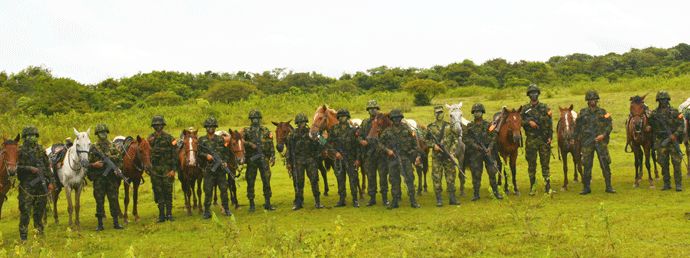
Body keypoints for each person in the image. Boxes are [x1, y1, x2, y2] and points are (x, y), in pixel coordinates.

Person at [16, 125, 55, 241]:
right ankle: (23, 234)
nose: (31, 138)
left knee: (40, 207)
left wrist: (51, 182)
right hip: (27, 183)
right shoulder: (20, 151)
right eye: (29, 136)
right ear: (24, 137)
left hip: (40, 182)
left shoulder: (41, 150)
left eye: (33, 136)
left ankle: (39, 229)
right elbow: (16, 168)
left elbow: (47, 167)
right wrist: (29, 168)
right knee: (25, 209)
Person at [378, 109, 421, 209]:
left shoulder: (407, 129)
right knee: (394, 180)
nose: (396, 120)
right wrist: (388, 150)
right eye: (394, 118)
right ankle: (395, 201)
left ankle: (413, 200)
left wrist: (415, 156)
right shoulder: (387, 131)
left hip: (405, 158)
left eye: (398, 118)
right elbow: (380, 143)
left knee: (409, 179)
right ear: (391, 120)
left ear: (401, 119)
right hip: (393, 159)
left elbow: (415, 144)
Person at [575, 90, 616, 194]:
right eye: (590, 100)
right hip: (587, 143)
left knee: (605, 163)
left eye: (594, 99)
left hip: (601, 142)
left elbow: (609, 125)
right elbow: (577, 126)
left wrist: (603, 135)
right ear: (587, 101)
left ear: (597, 100)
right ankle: (586, 187)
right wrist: (575, 138)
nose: (593, 101)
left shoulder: (603, 112)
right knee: (587, 165)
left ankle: (608, 186)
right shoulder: (582, 113)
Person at [88, 123, 124, 231]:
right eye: (100, 133)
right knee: (99, 200)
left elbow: (120, 160)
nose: (103, 135)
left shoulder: (112, 146)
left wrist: (119, 168)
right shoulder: (93, 147)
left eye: (104, 132)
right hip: (99, 178)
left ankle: (116, 222)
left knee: (113, 199)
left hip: (111, 178)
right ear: (97, 135)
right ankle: (100, 224)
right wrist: (94, 165)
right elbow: (86, 164)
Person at [647, 90, 685, 191]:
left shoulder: (675, 112)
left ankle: (678, 184)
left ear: (668, 100)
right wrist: (649, 127)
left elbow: (682, 125)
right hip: (661, 141)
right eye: (661, 100)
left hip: (672, 141)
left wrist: (675, 135)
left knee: (676, 163)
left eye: (664, 100)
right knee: (663, 162)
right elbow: (649, 122)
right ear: (658, 101)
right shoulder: (654, 113)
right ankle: (666, 183)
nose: (663, 102)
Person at [463, 103, 502, 201]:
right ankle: (476, 194)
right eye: (476, 112)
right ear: (473, 113)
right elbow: (464, 137)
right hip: (476, 153)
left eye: (479, 112)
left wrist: (490, 147)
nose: (477, 114)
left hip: (488, 152)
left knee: (492, 172)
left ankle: (495, 192)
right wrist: (474, 145)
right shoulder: (470, 126)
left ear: (482, 113)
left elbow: (495, 136)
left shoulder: (488, 124)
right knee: (476, 173)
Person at [520, 84, 553, 194]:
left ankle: (547, 187)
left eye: (535, 93)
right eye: (531, 93)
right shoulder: (525, 109)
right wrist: (529, 122)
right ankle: (532, 188)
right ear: (529, 95)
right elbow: (519, 121)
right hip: (531, 141)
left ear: (538, 94)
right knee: (531, 165)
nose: (533, 95)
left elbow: (550, 123)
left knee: (545, 165)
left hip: (544, 140)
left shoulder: (545, 107)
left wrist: (550, 137)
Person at [286, 113, 323, 210]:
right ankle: (299, 203)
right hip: (298, 161)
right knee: (299, 182)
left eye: (303, 122)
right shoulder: (293, 134)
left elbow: (320, 143)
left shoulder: (311, 132)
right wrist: (288, 162)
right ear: (297, 123)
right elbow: (289, 149)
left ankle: (317, 201)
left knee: (314, 180)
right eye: (300, 123)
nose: (302, 124)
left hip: (311, 160)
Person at [424, 105, 460, 206]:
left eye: (441, 113)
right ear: (434, 114)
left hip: (448, 156)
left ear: (444, 114)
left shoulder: (449, 126)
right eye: (437, 113)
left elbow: (455, 140)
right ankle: (439, 199)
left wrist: (452, 152)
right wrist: (433, 145)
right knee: (436, 177)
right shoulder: (430, 127)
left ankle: (452, 198)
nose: (439, 115)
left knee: (451, 177)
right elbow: (425, 140)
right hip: (437, 157)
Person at [242, 109, 276, 212]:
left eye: (257, 118)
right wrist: (250, 145)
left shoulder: (265, 130)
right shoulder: (246, 131)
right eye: (253, 119)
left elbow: (270, 143)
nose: (255, 120)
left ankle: (267, 202)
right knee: (250, 181)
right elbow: (241, 141)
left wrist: (273, 157)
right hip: (252, 159)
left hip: (264, 158)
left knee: (266, 179)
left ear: (260, 119)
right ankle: (251, 203)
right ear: (251, 120)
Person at [199, 117, 233, 219]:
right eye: (209, 127)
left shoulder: (220, 140)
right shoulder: (202, 140)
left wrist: (225, 162)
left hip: (220, 170)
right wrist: (206, 156)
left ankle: (226, 209)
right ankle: (207, 211)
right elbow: (198, 153)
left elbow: (227, 153)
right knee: (208, 190)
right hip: (209, 170)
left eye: (213, 126)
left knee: (224, 189)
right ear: (206, 128)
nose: (211, 128)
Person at [326, 109, 361, 208]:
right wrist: (335, 153)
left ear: (348, 118)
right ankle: (342, 200)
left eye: (344, 117)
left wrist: (358, 159)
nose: (343, 119)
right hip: (339, 159)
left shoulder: (352, 129)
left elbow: (358, 146)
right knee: (340, 180)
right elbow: (327, 143)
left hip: (351, 158)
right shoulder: (334, 129)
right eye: (341, 117)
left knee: (353, 179)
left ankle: (355, 200)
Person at [148, 115, 179, 222]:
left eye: (160, 125)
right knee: (158, 192)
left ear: (163, 125)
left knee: (168, 192)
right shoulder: (150, 139)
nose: (158, 127)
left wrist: (174, 170)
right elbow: (146, 154)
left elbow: (176, 154)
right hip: (155, 171)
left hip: (167, 170)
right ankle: (161, 215)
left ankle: (169, 214)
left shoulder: (169, 138)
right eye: (156, 125)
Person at [359, 100, 390, 206]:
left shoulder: (383, 121)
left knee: (383, 177)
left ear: (378, 109)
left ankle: (385, 198)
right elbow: (359, 134)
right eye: (370, 109)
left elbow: (388, 136)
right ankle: (372, 198)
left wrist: (382, 146)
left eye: (374, 108)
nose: (372, 111)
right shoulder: (365, 122)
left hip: (381, 154)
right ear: (368, 110)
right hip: (369, 154)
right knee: (370, 176)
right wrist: (362, 141)